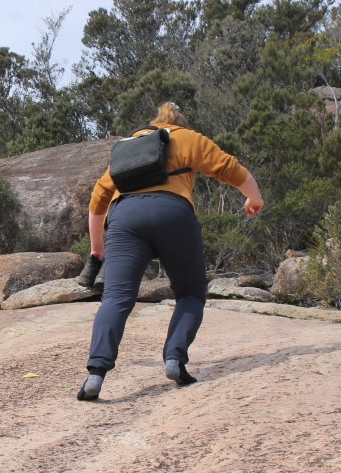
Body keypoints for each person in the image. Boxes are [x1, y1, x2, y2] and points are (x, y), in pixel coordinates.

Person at [77, 101, 264, 401]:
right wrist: (254, 198)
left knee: (116, 298)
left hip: (125, 219)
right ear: (182, 122)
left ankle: (95, 375)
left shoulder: (128, 146)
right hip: (173, 213)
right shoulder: (188, 138)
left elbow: (99, 198)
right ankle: (175, 360)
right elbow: (231, 169)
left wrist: (97, 248)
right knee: (190, 293)